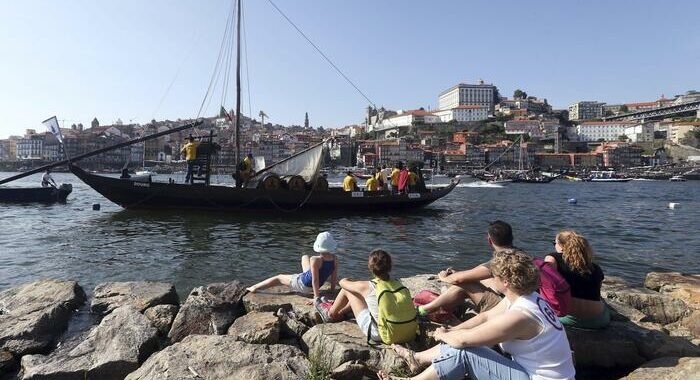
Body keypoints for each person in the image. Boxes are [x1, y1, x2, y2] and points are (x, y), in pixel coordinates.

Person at [377, 250, 576, 380]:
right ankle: (417, 360)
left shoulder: (522, 316)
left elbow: (463, 342)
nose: (491, 279)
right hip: (531, 372)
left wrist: (442, 334)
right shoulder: (529, 297)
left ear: (505, 282)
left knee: (463, 351)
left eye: (494, 276)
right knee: (461, 343)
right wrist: (454, 329)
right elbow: (486, 317)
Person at [416, 221, 514, 318]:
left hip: (507, 308)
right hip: (515, 302)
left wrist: (443, 278)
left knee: (464, 284)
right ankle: (449, 304)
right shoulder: (518, 255)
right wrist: (460, 273)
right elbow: (480, 271)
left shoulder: (500, 261)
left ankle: (424, 310)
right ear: (511, 238)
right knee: (480, 279)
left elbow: (458, 280)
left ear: (489, 240)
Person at [317, 249, 416, 345]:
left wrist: (348, 280)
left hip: (380, 334)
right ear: (390, 267)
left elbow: (342, 283)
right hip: (407, 332)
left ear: (370, 267)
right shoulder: (399, 284)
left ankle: (330, 314)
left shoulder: (367, 286)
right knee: (362, 295)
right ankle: (342, 312)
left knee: (347, 290)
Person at [245, 232, 338, 303]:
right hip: (315, 283)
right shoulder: (335, 259)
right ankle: (303, 275)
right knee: (305, 257)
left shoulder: (315, 260)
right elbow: (334, 277)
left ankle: (254, 287)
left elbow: (315, 280)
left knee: (279, 277)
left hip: (303, 284)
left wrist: (316, 298)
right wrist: (332, 291)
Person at [545, 230, 609, 329]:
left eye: (554, 243)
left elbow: (546, 284)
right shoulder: (596, 268)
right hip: (599, 320)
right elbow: (597, 294)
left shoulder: (553, 258)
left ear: (561, 247)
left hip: (568, 318)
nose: (554, 245)